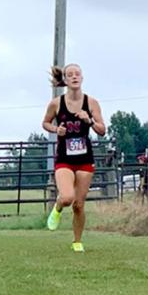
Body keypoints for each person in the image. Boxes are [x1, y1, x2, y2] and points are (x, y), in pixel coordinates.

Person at [42, 63, 106, 252]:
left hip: (85, 159)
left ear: (82, 78)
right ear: (65, 80)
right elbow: (45, 123)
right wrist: (56, 129)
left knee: (79, 205)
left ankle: (77, 241)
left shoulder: (92, 103)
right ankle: (58, 206)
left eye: (77, 74)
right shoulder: (56, 103)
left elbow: (102, 130)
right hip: (64, 159)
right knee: (67, 197)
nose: (74, 77)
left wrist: (89, 120)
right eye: (70, 75)